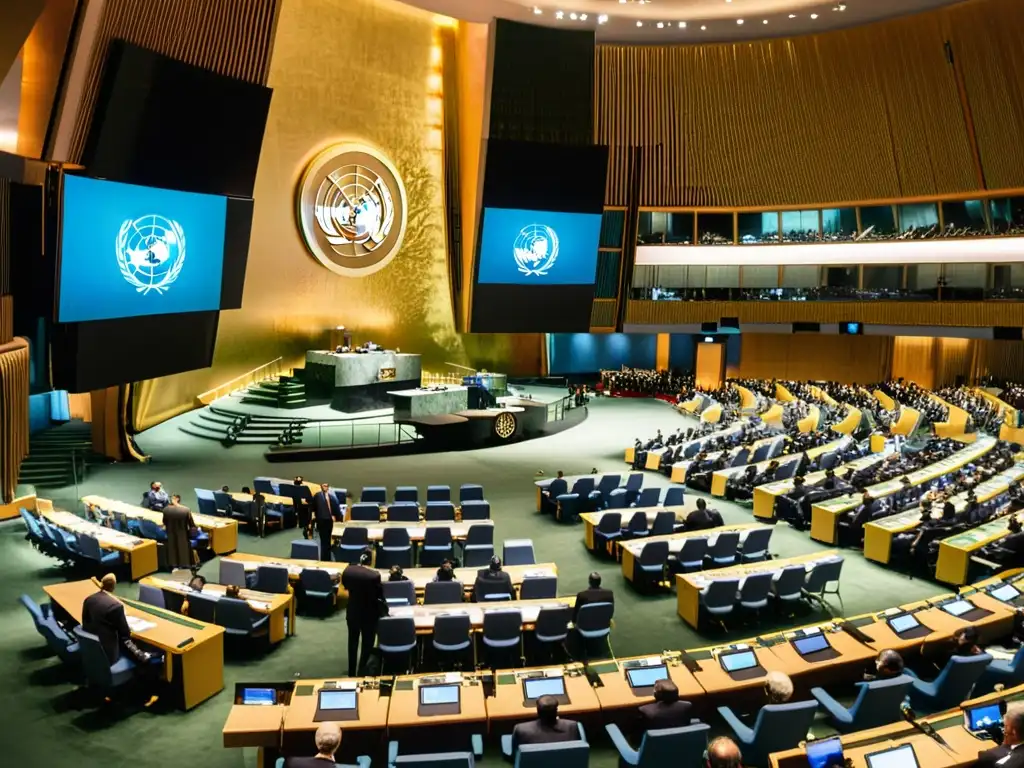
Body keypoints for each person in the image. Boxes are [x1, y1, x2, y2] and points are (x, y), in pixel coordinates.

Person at [82, 574, 154, 665]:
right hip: (108, 655)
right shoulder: (116, 607)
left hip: (90, 649)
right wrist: (140, 655)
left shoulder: (89, 599)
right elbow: (125, 638)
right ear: (114, 587)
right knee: (144, 660)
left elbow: (85, 623)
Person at [341, 549, 384, 677]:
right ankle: (362, 671)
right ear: (371, 561)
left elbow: (345, 586)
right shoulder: (375, 576)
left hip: (353, 612)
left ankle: (351, 672)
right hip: (370, 616)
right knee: (367, 644)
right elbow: (379, 595)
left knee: (352, 643)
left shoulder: (348, 571)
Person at [511, 695, 580, 748]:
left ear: (538, 711)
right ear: (556, 711)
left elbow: (515, 754)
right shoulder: (572, 726)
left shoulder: (521, 729)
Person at [976, 701, 1024, 768]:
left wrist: (1005, 744)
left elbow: (985, 758)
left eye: (1006, 726)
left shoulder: (1003, 765)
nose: (1004, 729)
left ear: (1014, 732)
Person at [162, 494, 196, 569]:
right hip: (182, 533)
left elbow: (164, 522)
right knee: (183, 548)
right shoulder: (186, 510)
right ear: (179, 499)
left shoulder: (165, 510)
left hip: (170, 533)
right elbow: (191, 524)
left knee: (172, 548)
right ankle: (185, 564)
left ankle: (173, 564)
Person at [312, 482, 341, 561]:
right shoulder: (318, 496)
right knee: (324, 541)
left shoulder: (330, 497)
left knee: (326, 541)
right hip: (322, 520)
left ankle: (325, 559)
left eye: (326, 486)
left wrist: (336, 517)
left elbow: (336, 509)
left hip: (327, 520)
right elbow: (314, 508)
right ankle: (325, 559)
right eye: (324, 486)